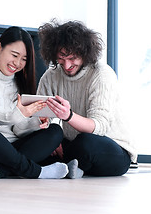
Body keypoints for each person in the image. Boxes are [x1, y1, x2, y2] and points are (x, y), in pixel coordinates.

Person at [0, 26, 69, 179]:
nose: (17, 63)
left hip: (9, 152)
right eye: (14, 55)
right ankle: (36, 171)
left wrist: (35, 122)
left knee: (55, 131)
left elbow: (17, 130)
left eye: (24, 59)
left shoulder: (18, 84)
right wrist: (20, 113)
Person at [37, 20, 137, 178]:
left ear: (85, 53)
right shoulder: (50, 76)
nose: (67, 64)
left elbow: (99, 128)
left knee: (85, 143)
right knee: (38, 141)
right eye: (61, 58)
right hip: (70, 144)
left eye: (72, 58)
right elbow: (40, 116)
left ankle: (67, 166)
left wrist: (68, 116)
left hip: (110, 147)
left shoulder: (101, 74)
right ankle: (73, 167)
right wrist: (50, 136)